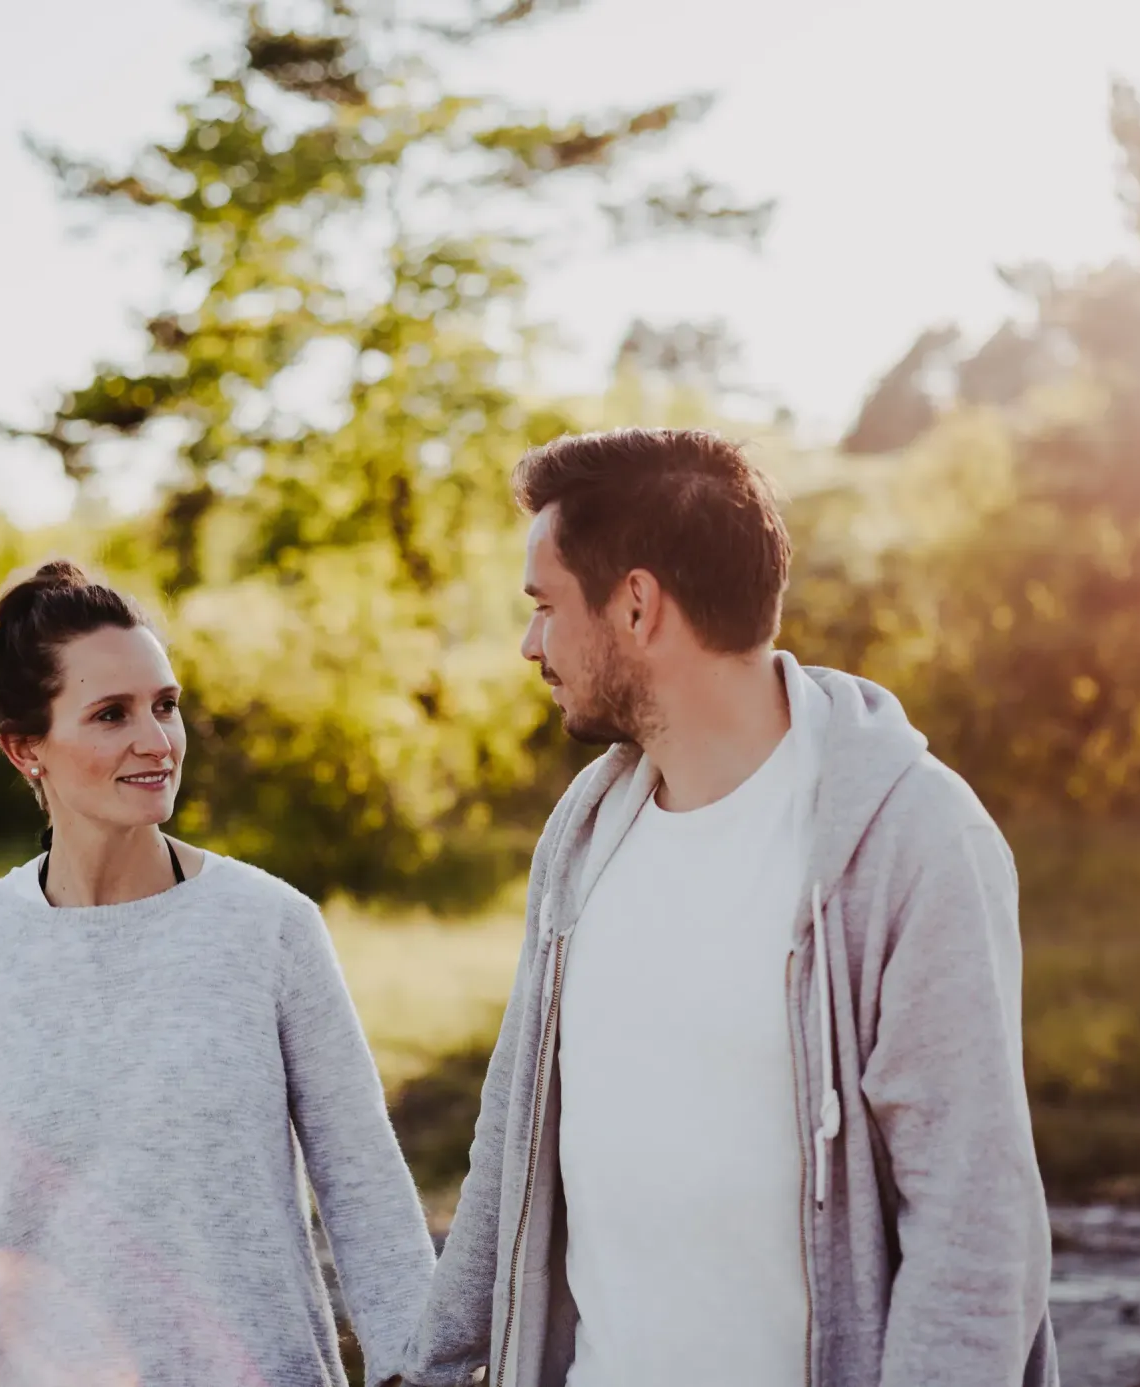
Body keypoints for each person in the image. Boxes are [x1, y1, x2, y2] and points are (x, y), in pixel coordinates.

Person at [404, 428, 1056, 1387]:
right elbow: (512, 1142)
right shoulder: (584, 836)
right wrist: (433, 1365)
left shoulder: (906, 835)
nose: (530, 642)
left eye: (545, 605)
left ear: (635, 604)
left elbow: (973, 1224)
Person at [0, 560, 435, 1387]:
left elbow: (367, 1196)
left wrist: (424, 1372)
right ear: (24, 748)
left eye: (165, 705)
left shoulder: (271, 927)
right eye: (112, 714)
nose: (158, 740)